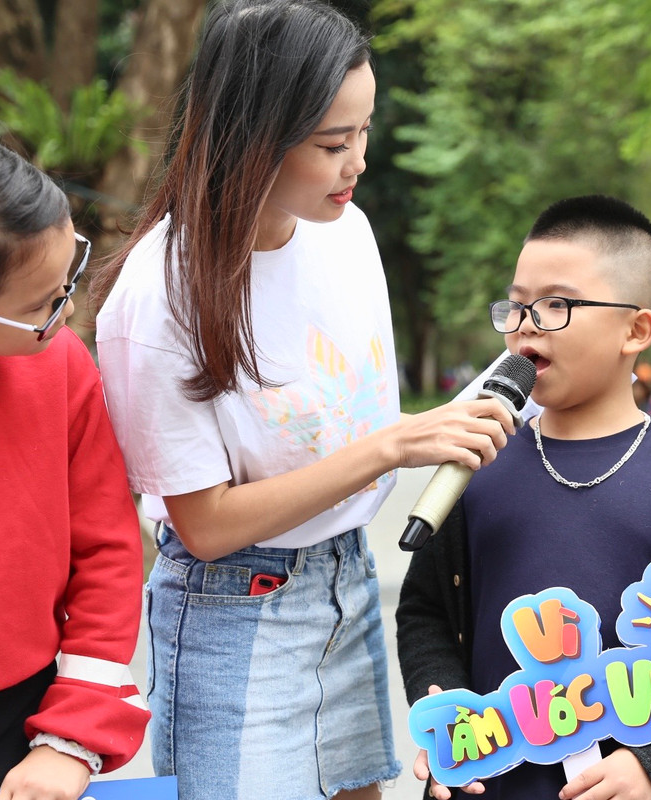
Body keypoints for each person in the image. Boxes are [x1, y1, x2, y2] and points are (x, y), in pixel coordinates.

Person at [90, 3, 514, 798]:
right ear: (251, 136)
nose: (358, 161)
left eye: (364, 130)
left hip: (346, 582)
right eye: (331, 143)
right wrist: (390, 446)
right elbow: (206, 526)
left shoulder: (344, 231)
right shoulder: (158, 297)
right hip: (233, 609)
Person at [396, 195, 651, 800]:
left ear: (636, 329)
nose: (527, 322)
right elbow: (425, 611)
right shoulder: (476, 468)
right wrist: (437, 693)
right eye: (518, 304)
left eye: (556, 304)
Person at [0, 127, 149, 796]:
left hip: (22, 724)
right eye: (40, 305)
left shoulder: (61, 366)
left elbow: (108, 555)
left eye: (70, 278)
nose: (66, 312)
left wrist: (72, 739)